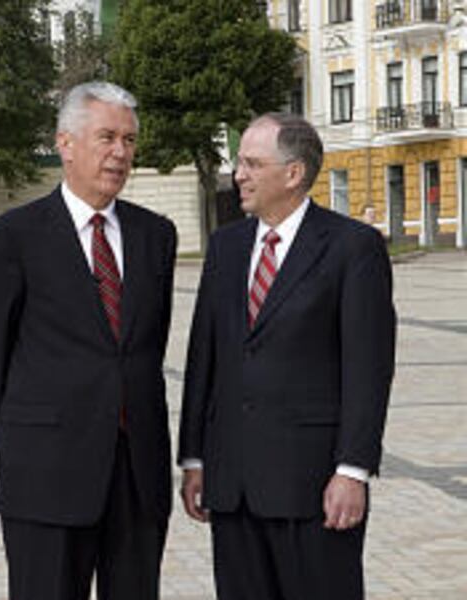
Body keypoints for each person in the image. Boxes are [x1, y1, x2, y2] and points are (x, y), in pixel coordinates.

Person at [0, 81, 177, 600]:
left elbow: (148, 348)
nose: (120, 153)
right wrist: (22, 435)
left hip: (137, 474)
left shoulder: (156, 235)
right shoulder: (13, 236)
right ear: (65, 143)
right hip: (45, 471)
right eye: (107, 137)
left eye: (129, 140)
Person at [178, 113, 396, 600]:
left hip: (313, 487)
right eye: (239, 163)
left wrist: (352, 470)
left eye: (253, 164)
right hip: (232, 487)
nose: (239, 175)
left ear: (294, 173)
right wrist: (194, 457)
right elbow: (203, 358)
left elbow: (368, 369)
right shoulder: (226, 247)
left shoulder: (352, 248)